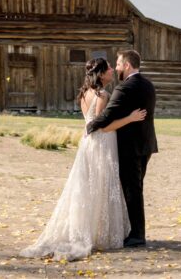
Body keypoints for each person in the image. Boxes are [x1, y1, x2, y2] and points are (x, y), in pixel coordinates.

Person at [20, 57, 147, 261]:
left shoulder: (84, 94)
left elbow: (90, 123)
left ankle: (88, 229)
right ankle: (100, 233)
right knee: (101, 186)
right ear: (101, 74)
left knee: (88, 188)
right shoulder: (102, 95)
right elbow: (102, 126)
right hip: (102, 145)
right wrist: (129, 118)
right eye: (108, 69)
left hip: (87, 144)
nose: (112, 70)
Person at [85, 49, 157, 248]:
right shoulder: (148, 85)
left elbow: (107, 116)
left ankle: (137, 235)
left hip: (130, 147)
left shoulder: (124, 88)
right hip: (146, 145)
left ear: (126, 65)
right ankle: (133, 231)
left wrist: (90, 126)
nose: (115, 68)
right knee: (136, 188)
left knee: (132, 190)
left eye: (117, 64)